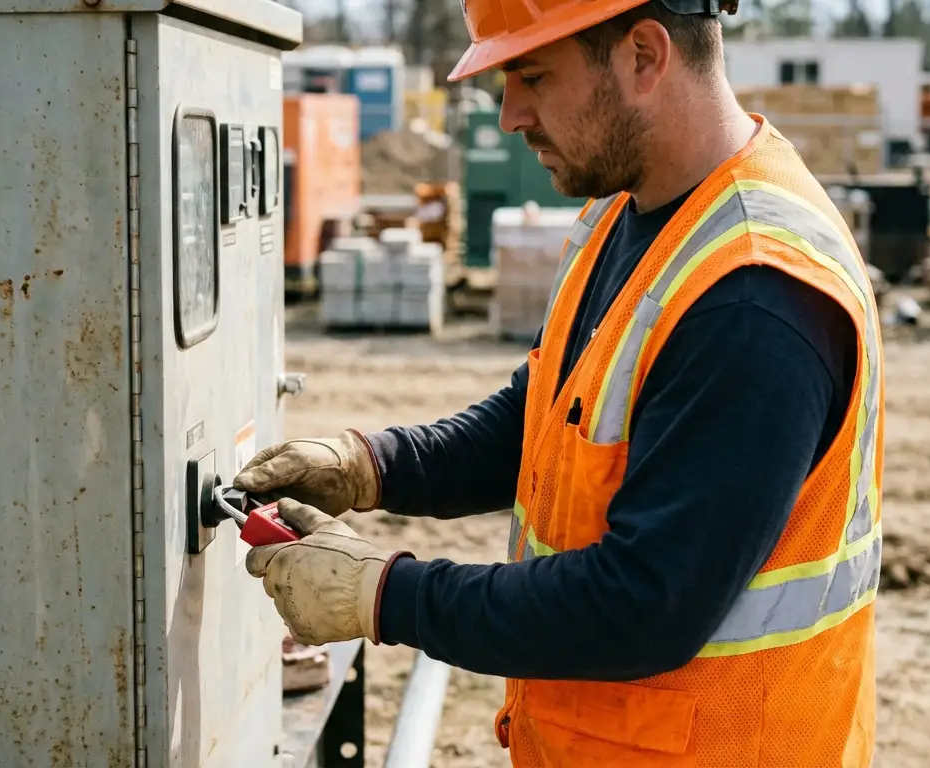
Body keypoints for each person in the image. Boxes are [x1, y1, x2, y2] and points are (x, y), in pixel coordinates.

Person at [237, 0, 884, 764]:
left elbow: (645, 604)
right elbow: (544, 417)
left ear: (644, 55)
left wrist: (385, 594)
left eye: (533, 75)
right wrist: (375, 465)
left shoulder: (752, 295)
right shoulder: (629, 211)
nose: (511, 115)